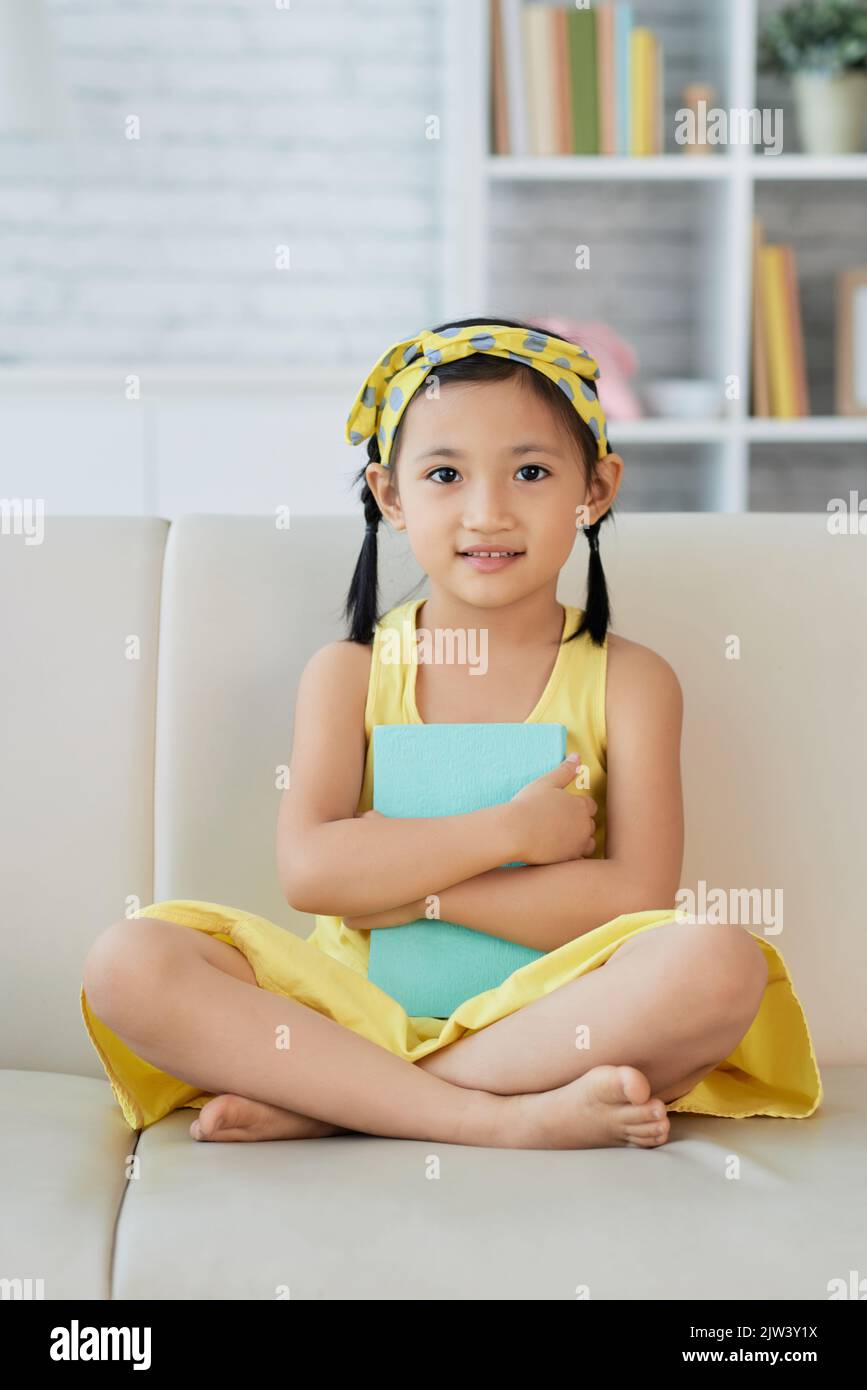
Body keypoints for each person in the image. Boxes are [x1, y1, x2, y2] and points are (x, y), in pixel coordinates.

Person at [80, 317, 822, 1150]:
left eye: (531, 472)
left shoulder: (633, 681)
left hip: (548, 1017)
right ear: (391, 497)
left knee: (718, 962)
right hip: (348, 1009)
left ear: (596, 491)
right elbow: (313, 873)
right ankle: (485, 1118)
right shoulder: (349, 672)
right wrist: (508, 832)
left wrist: (407, 887)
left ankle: (343, 1101)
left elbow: (632, 901)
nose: (488, 512)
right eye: (444, 474)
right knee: (129, 961)